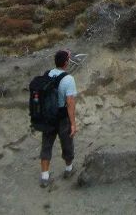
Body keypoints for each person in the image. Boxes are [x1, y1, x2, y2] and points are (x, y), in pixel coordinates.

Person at [39, 49, 78, 187]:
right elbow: (70, 103)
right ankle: (68, 169)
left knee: (46, 145)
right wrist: (73, 123)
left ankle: (44, 176)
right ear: (66, 63)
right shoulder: (69, 79)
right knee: (66, 143)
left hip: (48, 116)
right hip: (62, 117)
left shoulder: (47, 74)